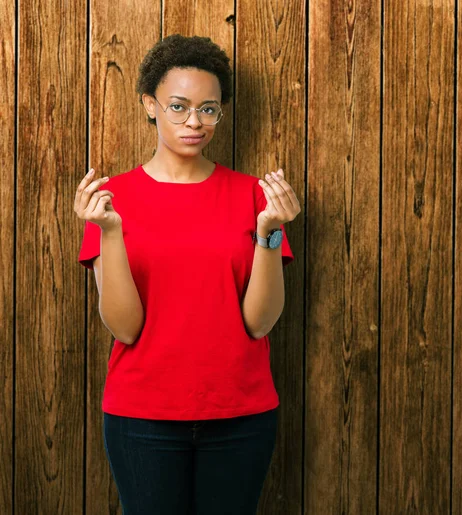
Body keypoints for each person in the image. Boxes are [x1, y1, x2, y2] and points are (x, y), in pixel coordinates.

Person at [73, 34, 300, 514]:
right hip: (142, 417)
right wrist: (110, 234)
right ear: (150, 105)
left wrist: (270, 233)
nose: (194, 122)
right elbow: (125, 327)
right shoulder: (111, 200)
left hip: (241, 413)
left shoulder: (253, 197)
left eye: (209, 109)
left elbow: (259, 323)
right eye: (178, 106)